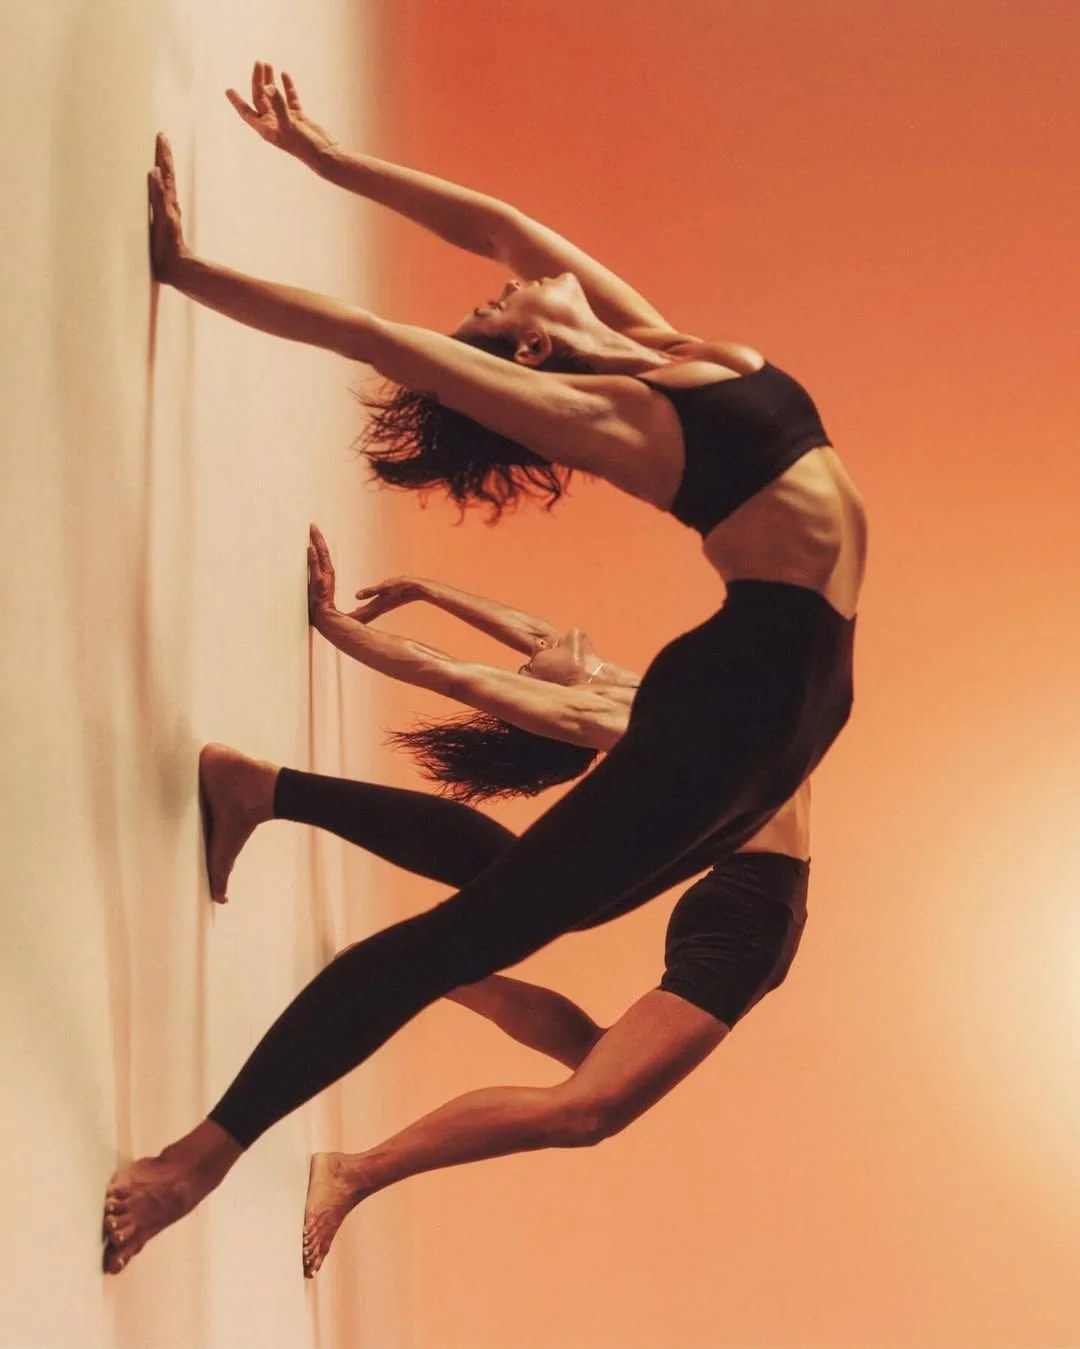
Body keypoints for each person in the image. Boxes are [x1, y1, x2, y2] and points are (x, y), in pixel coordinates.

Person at [103, 57, 865, 1272]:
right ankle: (200, 1156)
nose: (508, 285)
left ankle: (270, 795)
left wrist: (322, 156)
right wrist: (187, 270)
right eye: (492, 312)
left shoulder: (660, 343)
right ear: (523, 358)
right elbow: (360, 331)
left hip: (794, 706)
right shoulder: (620, 418)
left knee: (513, 902)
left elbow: (504, 224)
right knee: (467, 939)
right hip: (736, 712)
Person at [197, 529, 811, 1276]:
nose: (544, 644)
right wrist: (337, 628)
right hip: (749, 925)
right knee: (587, 1108)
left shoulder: (614, 685)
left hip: (755, 903)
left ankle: (413, 951)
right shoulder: (614, 718)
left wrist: (429, 589)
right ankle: (357, 1170)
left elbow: (540, 637)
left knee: (592, 1053)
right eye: (530, 668)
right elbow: (454, 677)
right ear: (547, 703)